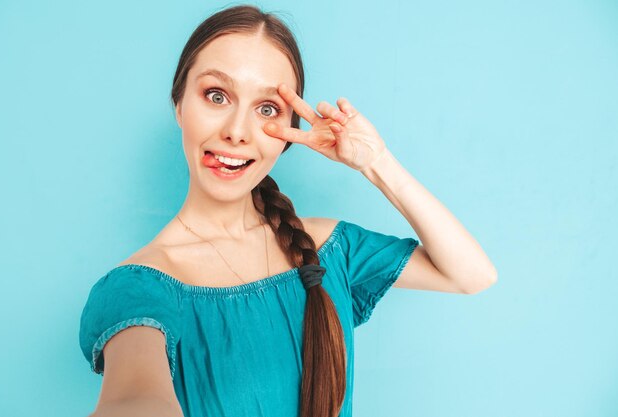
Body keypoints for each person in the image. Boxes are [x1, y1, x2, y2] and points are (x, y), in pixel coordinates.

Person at [79, 4, 497, 417]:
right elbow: (136, 401)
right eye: (216, 95)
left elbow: (471, 274)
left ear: (289, 133)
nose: (237, 132)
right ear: (179, 106)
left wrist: (376, 162)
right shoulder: (138, 288)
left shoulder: (331, 250)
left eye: (266, 109)